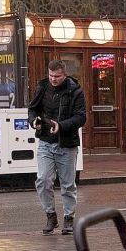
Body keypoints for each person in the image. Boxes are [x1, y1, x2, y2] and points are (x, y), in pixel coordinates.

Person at [27, 60, 86, 235]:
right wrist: (34, 121)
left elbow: (81, 117)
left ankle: (69, 218)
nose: (53, 79)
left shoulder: (75, 90)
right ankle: (50, 216)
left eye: (57, 76)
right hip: (45, 141)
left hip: (67, 144)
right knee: (43, 180)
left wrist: (61, 125)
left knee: (67, 184)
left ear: (64, 75)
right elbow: (32, 109)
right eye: (51, 75)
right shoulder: (43, 87)